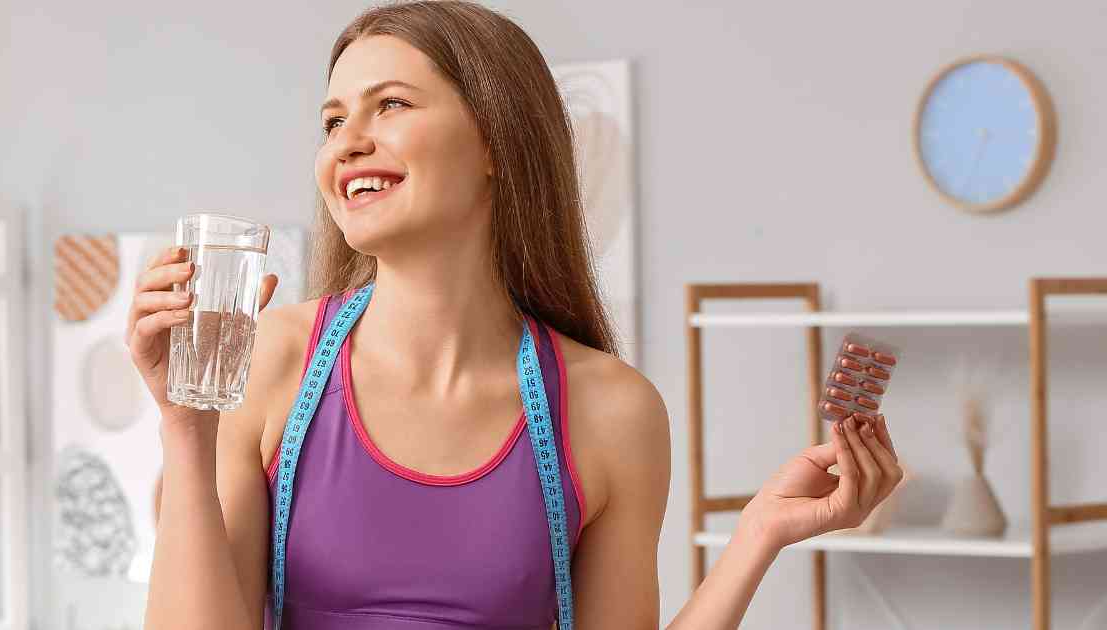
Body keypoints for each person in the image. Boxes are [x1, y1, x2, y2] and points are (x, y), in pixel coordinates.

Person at [125, 2, 903, 629]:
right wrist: (185, 429)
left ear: (496, 139)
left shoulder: (611, 411)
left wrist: (760, 532)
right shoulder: (273, 363)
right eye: (333, 121)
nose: (347, 144)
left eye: (389, 105)